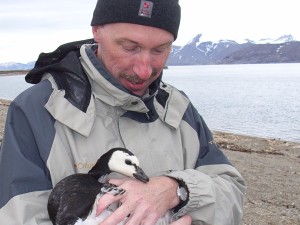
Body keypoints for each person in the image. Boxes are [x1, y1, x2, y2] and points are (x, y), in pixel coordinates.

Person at [0, 0, 246, 224]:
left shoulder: (181, 109)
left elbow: (232, 193)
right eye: (129, 47)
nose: (143, 71)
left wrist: (178, 190)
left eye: (160, 50)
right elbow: (17, 216)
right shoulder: (35, 110)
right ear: (97, 31)